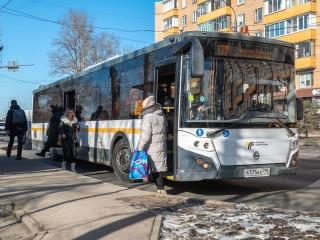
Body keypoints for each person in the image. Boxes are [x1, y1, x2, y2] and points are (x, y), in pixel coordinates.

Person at [136, 95, 168, 194]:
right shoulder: (161, 115)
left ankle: (161, 188)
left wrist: (139, 148)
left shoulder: (148, 117)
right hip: (160, 144)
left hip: (151, 146)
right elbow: (166, 128)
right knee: (157, 167)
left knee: (155, 168)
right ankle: (160, 188)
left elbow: (145, 135)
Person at [59, 108, 80, 173]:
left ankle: (73, 168)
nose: (70, 113)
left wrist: (78, 126)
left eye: (71, 112)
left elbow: (78, 130)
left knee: (74, 153)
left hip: (73, 138)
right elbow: (60, 128)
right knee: (66, 153)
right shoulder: (63, 120)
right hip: (66, 138)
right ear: (67, 113)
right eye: (69, 112)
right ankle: (63, 164)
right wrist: (62, 134)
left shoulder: (75, 120)